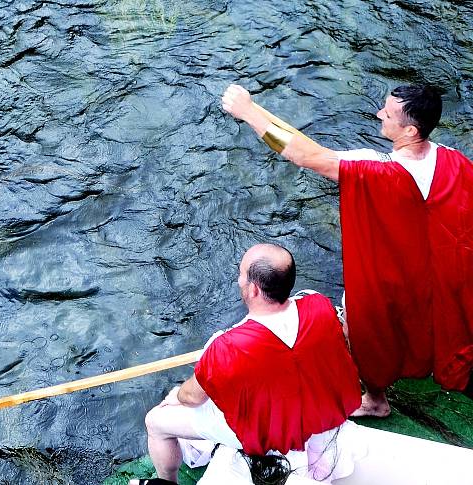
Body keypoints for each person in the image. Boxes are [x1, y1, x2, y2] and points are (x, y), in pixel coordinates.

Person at [221, 84, 473, 417]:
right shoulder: (455, 162)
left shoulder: (376, 168)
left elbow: (304, 155)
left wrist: (248, 112)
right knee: (440, 315)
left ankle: (376, 400)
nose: (379, 114)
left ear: (410, 130)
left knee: (364, 324)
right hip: (442, 269)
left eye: (388, 113)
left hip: (392, 273)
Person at [131, 244, 361, 485]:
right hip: (314, 408)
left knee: (156, 421)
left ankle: (166, 482)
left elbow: (192, 398)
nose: (239, 279)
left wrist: (175, 396)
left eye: (241, 274)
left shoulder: (226, 347)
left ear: (253, 289)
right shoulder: (319, 304)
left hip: (261, 431)